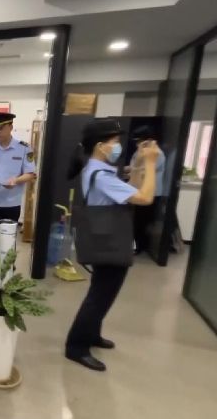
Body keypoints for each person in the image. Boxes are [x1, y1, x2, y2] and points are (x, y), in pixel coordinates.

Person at [65, 119, 161, 371]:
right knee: (100, 297)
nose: (118, 146)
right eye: (114, 141)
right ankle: (76, 346)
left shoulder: (98, 169)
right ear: (100, 146)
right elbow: (145, 197)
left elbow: (130, 189)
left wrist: (139, 165)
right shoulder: (101, 175)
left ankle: (92, 334)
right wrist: (151, 164)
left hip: (105, 238)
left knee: (101, 292)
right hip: (109, 242)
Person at [0, 112, 37, 245]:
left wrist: (16, 181)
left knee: (7, 242)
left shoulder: (24, 148)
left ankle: (6, 259)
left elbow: (31, 174)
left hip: (11, 204)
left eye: (0, 128)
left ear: (10, 127)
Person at [127, 125, 166, 254]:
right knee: (137, 220)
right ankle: (135, 244)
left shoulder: (157, 154)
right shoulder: (139, 151)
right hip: (139, 190)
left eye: (139, 140)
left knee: (142, 221)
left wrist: (133, 171)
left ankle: (140, 247)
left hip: (151, 193)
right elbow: (134, 166)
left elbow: (146, 170)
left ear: (148, 140)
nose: (137, 143)